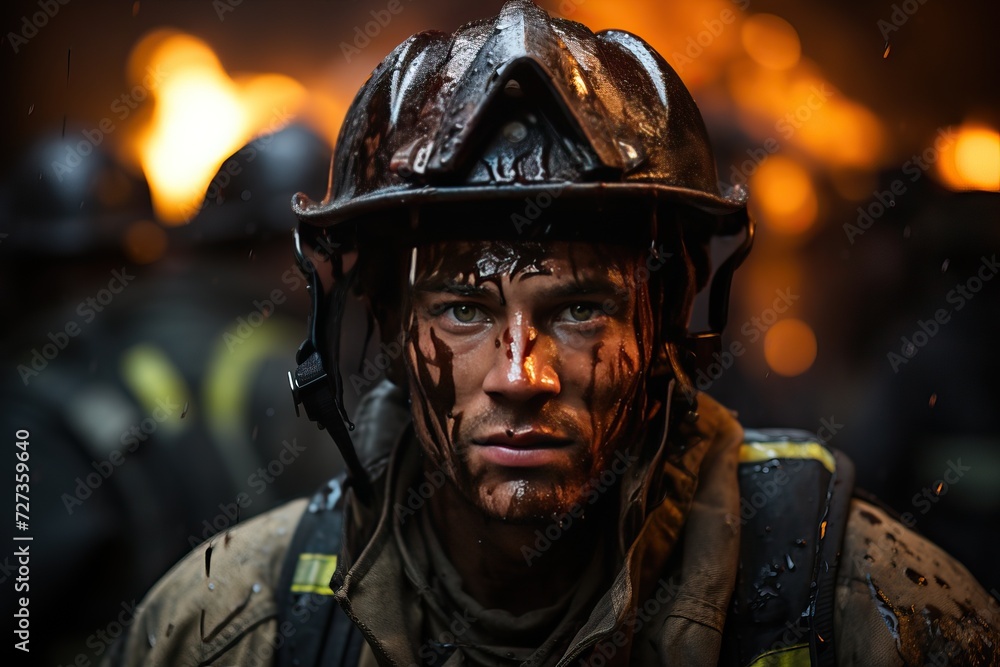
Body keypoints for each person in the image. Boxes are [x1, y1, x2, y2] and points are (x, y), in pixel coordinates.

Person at [107, 2, 1000, 665]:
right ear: (383, 325)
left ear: (666, 324)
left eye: (580, 308)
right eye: (462, 308)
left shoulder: (871, 612)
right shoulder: (230, 632)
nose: (520, 375)